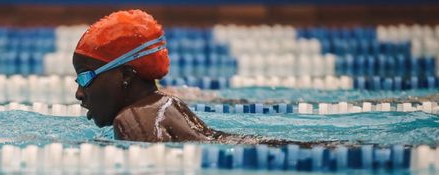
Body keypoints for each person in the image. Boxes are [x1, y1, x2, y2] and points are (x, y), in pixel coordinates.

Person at [73, 9, 290, 145]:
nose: (79, 94)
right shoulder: (167, 104)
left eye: (85, 78)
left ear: (126, 75)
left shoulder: (132, 120)